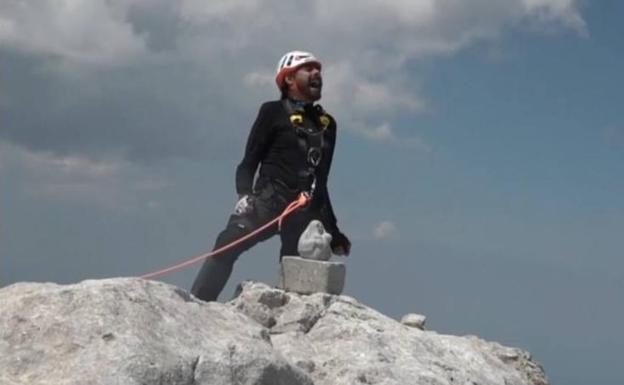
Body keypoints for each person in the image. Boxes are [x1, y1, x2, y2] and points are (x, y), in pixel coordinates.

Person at [191, 50, 351, 302]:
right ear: (288, 79)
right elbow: (247, 163)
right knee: (225, 246)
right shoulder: (272, 112)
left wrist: (334, 231)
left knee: (297, 277)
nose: (317, 73)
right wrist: (244, 195)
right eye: (308, 68)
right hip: (267, 201)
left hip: (304, 210)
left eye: (318, 69)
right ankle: (196, 307)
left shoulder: (327, 125)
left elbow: (322, 182)